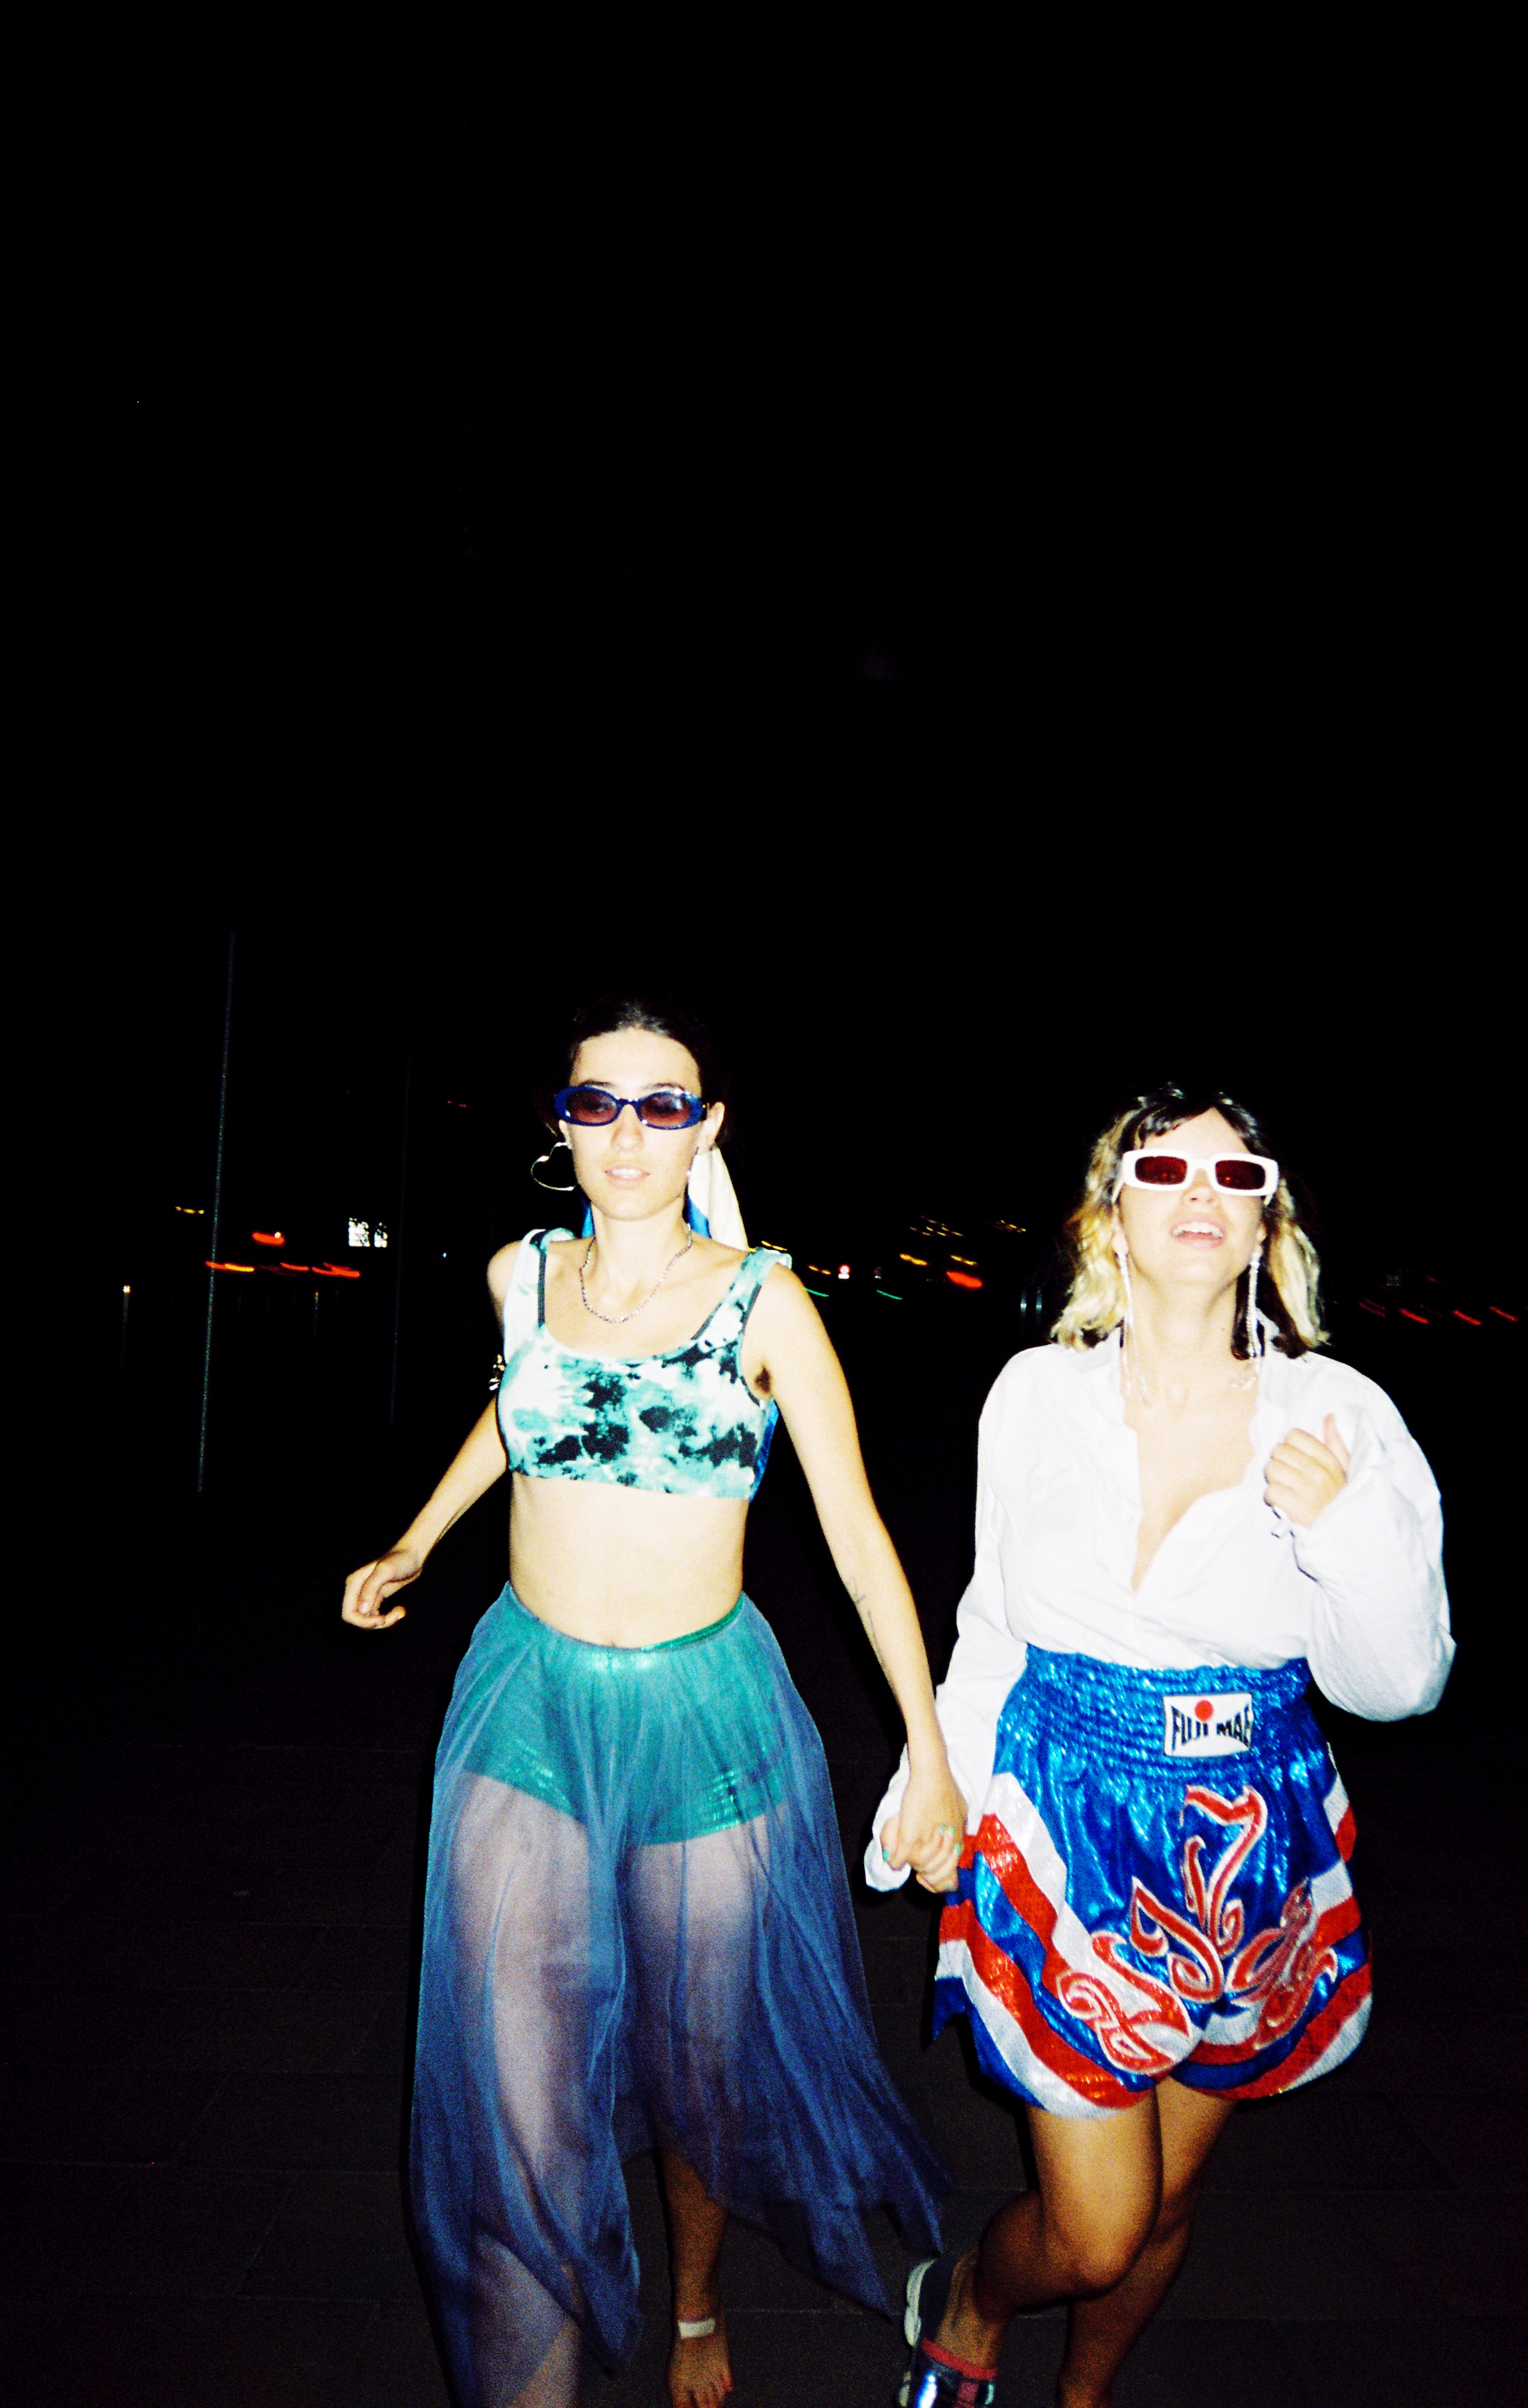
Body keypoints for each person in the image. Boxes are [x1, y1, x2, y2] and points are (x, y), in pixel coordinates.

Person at [342, 995, 962, 2408]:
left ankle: (692, 2302)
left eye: (662, 1105)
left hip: (704, 1714)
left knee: (699, 2065)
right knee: (515, 2082)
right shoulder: (520, 1272)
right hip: (528, 1709)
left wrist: (926, 1754)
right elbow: (522, 1409)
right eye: (597, 1103)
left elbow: (858, 1539)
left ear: (707, 1128)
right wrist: (418, 1540)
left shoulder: (766, 1300)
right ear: (562, 1125)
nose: (628, 1134)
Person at [870, 1086, 1452, 2408]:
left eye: (1236, 1174)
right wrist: (934, 1779)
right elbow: (994, 1624)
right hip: (1066, 1811)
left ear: (1266, 1223)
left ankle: (1084, 2396)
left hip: (1252, 1835)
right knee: (1097, 2228)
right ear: (1111, 1215)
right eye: (1165, 1168)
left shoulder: (1337, 1412)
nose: (1201, 1191)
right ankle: (972, 2297)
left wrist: (1345, 1526)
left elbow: (1400, 1685)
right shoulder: (1036, 1394)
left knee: (1171, 2199)